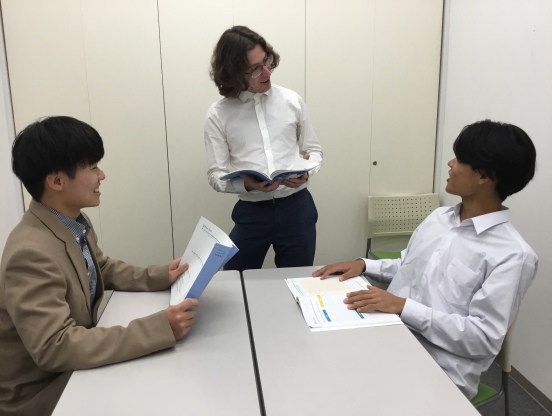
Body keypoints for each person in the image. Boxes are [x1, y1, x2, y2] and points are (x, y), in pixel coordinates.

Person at [313, 120, 538, 399]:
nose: (450, 164)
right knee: (318, 359)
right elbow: (408, 267)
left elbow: (482, 339)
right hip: (389, 334)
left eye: (460, 159)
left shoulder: (513, 255)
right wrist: (364, 264)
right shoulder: (439, 218)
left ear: (484, 176)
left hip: (440, 369)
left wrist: (402, 306)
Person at [0, 116, 198, 415]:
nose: (101, 175)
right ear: (56, 181)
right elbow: (55, 347)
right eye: (92, 167)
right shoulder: (30, 253)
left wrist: (160, 275)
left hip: (70, 368)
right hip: (40, 391)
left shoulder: (71, 222)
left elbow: (100, 268)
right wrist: (159, 328)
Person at [205, 26, 323, 271]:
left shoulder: (291, 101)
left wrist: (306, 173)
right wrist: (247, 185)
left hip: (297, 209)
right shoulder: (218, 114)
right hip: (252, 213)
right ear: (234, 73)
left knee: (297, 282)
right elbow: (216, 175)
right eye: (255, 68)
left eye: (267, 61)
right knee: (234, 281)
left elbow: (313, 150)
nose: (267, 72)